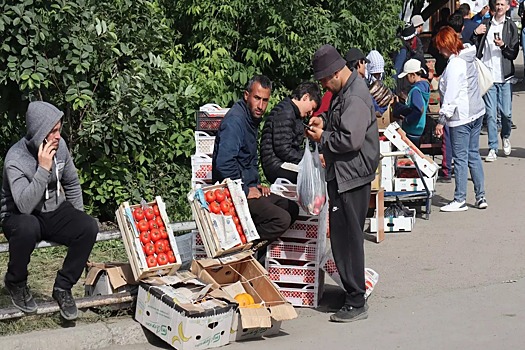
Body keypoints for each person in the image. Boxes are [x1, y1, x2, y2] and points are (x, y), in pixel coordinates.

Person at [1, 101, 98, 320]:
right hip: (18, 215)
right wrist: (43, 167)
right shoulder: (15, 159)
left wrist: (77, 215)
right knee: (27, 227)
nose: (57, 136)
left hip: (53, 210)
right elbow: (24, 205)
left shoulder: (60, 147)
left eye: (59, 129)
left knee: (88, 226)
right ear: (38, 132)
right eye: (52, 131)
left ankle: (63, 287)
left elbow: (72, 183)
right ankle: (15, 282)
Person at [307, 44, 379, 323]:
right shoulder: (344, 92)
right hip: (345, 173)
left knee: (348, 239)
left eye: (325, 79)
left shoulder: (355, 97)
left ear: (337, 72)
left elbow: (349, 139)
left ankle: (355, 299)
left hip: (352, 174)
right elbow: (336, 120)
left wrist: (321, 138)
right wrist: (322, 119)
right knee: (342, 236)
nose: (324, 85)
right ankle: (352, 292)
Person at [212, 75, 299, 253]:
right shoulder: (236, 121)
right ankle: (244, 250)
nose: (261, 106)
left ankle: (254, 249)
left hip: (246, 187)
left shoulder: (250, 119)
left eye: (265, 100)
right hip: (230, 194)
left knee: (291, 208)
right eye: (257, 98)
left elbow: (246, 161)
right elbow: (223, 163)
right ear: (246, 95)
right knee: (280, 219)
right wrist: (245, 189)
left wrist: (255, 184)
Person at [434, 26, 488, 212]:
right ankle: (481, 196)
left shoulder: (455, 64)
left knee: (461, 158)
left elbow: (451, 95)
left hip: (462, 116)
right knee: (473, 155)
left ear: (446, 45)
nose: (439, 51)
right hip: (477, 111)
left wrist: (441, 120)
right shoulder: (467, 54)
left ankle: (460, 199)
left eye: (441, 47)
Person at [471, 0, 519, 162]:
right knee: (491, 114)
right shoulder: (486, 24)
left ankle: (505, 136)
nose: (499, 7)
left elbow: (513, 53)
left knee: (506, 113)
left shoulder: (510, 25)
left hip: (504, 76)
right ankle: (493, 147)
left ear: (507, 7)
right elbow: (474, 45)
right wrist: (475, 33)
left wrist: (504, 45)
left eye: (502, 5)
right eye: (497, 4)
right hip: (488, 76)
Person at [260, 82, 321, 184]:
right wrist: (310, 158)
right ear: (305, 97)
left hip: (277, 162)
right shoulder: (286, 112)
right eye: (312, 108)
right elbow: (283, 150)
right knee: (312, 177)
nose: (311, 113)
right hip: (276, 164)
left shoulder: (292, 112)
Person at [392, 59, 431, 147]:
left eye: (407, 76)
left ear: (413, 75)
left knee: (410, 157)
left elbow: (418, 109)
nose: (406, 79)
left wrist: (407, 120)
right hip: (419, 128)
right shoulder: (424, 87)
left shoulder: (415, 90)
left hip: (412, 129)